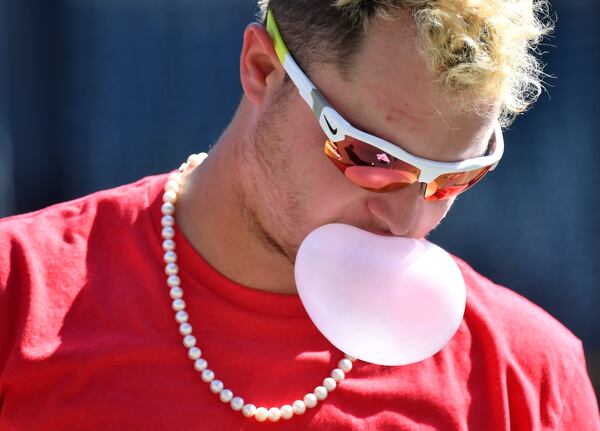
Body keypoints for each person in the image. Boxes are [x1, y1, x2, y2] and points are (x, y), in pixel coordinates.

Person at [0, 0, 598, 429]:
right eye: (369, 156)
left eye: (455, 178)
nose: (406, 221)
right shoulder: (18, 294)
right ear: (263, 70)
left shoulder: (527, 375)